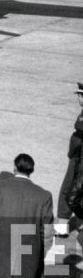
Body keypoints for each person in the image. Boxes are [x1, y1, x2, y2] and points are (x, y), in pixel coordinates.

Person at [0, 153, 54, 278]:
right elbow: (48, 230)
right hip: (31, 248)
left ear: (15, 168)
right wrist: (42, 250)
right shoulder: (44, 195)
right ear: (31, 170)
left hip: (2, 244)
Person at [57, 81, 83, 237]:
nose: (78, 98)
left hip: (78, 159)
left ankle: (63, 225)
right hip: (77, 157)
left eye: (80, 95)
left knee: (68, 189)